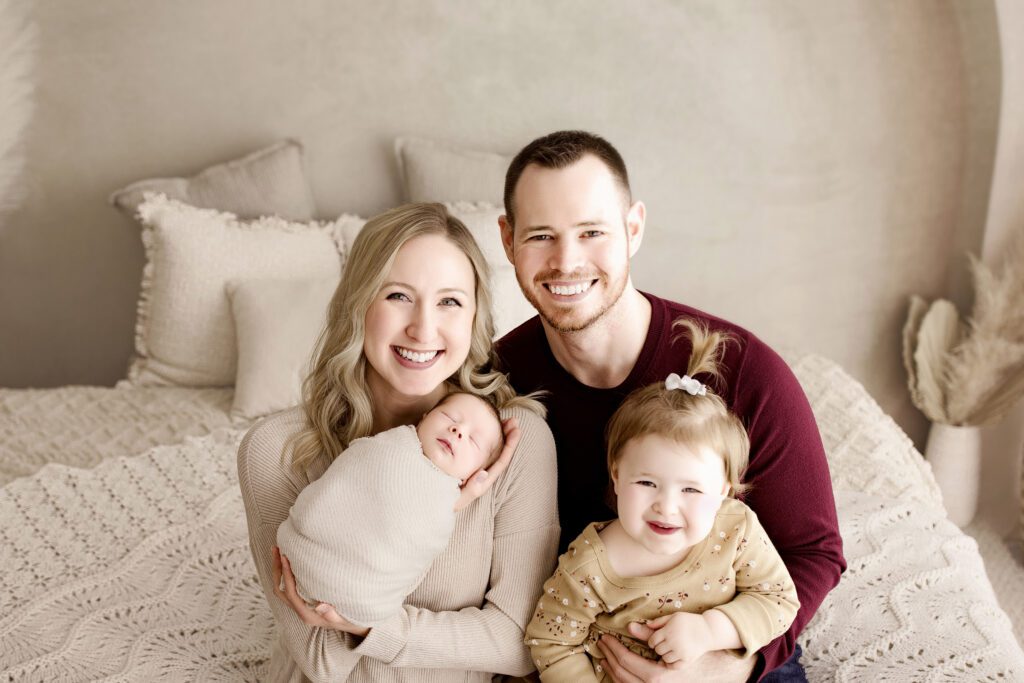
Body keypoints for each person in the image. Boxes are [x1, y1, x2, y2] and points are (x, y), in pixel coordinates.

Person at [493, 131, 845, 682]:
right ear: (508, 240)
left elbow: (814, 553)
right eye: (541, 235)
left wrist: (727, 666)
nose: (567, 261)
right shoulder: (497, 382)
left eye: (592, 232)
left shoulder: (745, 372)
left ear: (633, 228)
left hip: (730, 654)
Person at [237, 202, 559, 682]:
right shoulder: (278, 449)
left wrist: (373, 627)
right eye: (397, 296)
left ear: (475, 318)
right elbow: (324, 663)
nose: (423, 329)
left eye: (450, 301)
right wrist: (451, 637)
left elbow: (519, 645)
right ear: (357, 303)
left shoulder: (511, 441)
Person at [524, 319, 799, 682]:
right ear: (617, 475)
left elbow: (779, 599)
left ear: (724, 491)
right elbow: (550, 642)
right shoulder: (588, 567)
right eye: (647, 482)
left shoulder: (735, 531)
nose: (666, 506)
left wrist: (711, 630)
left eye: (691, 490)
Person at [276, 391, 506, 628]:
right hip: (302, 549)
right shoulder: (390, 445)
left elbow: (423, 527)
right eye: (450, 417)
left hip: (360, 596)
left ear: (476, 473)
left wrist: (467, 495)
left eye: (473, 440)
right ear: (424, 418)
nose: (459, 431)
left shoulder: (445, 501)